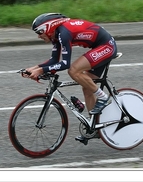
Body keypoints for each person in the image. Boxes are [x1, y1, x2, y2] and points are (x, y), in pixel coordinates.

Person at [22, 13, 117, 142]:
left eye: (39, 32)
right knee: (87, 87)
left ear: (49, 27)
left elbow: (65, 64)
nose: (38, 36)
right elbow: (54, 61)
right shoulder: (56, 36)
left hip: (106, 46)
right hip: (97, 47)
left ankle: (103, 98)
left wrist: (40, 70)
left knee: (73, 70)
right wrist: (33, 69)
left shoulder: (64, 33)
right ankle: (94, 128)